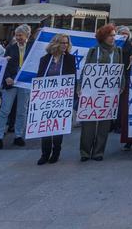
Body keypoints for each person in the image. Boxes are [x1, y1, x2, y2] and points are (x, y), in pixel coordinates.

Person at [80, 24, 122, 162]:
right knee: (88, 125)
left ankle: (98, 152)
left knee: (104, 125)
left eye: (114, 35)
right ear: (103, 37)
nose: (113, 38)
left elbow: (120, 71)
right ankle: (85, 152)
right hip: (92, 92)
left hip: (109, 93)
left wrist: (121, 84)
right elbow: (86, 70)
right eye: (110, 35)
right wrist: (80, 87)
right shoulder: (93, 51)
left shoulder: (118, 52)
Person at [36, 33, 77, 165]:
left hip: (62, 97)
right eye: (62, 43)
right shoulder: (44, 59)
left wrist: (72, 95)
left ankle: (56, 152)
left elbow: (73, 78)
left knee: (58, 125)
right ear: (56, 43)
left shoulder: (70, 59)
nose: (65, 45)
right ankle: (45, 153)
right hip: (46, 97)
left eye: (66, 43)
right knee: (46, 126)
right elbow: (39, 77)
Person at [0, 24, 32, 149]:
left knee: (22, 110)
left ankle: (18, 135)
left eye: (20, 35)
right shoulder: (10, 47)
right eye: (16, 35)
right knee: (5, 109)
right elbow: (4, 63)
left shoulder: (32, 48)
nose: (18, 37)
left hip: (25, 83)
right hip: (11, 82)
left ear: (27, 35)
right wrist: (7, 77)